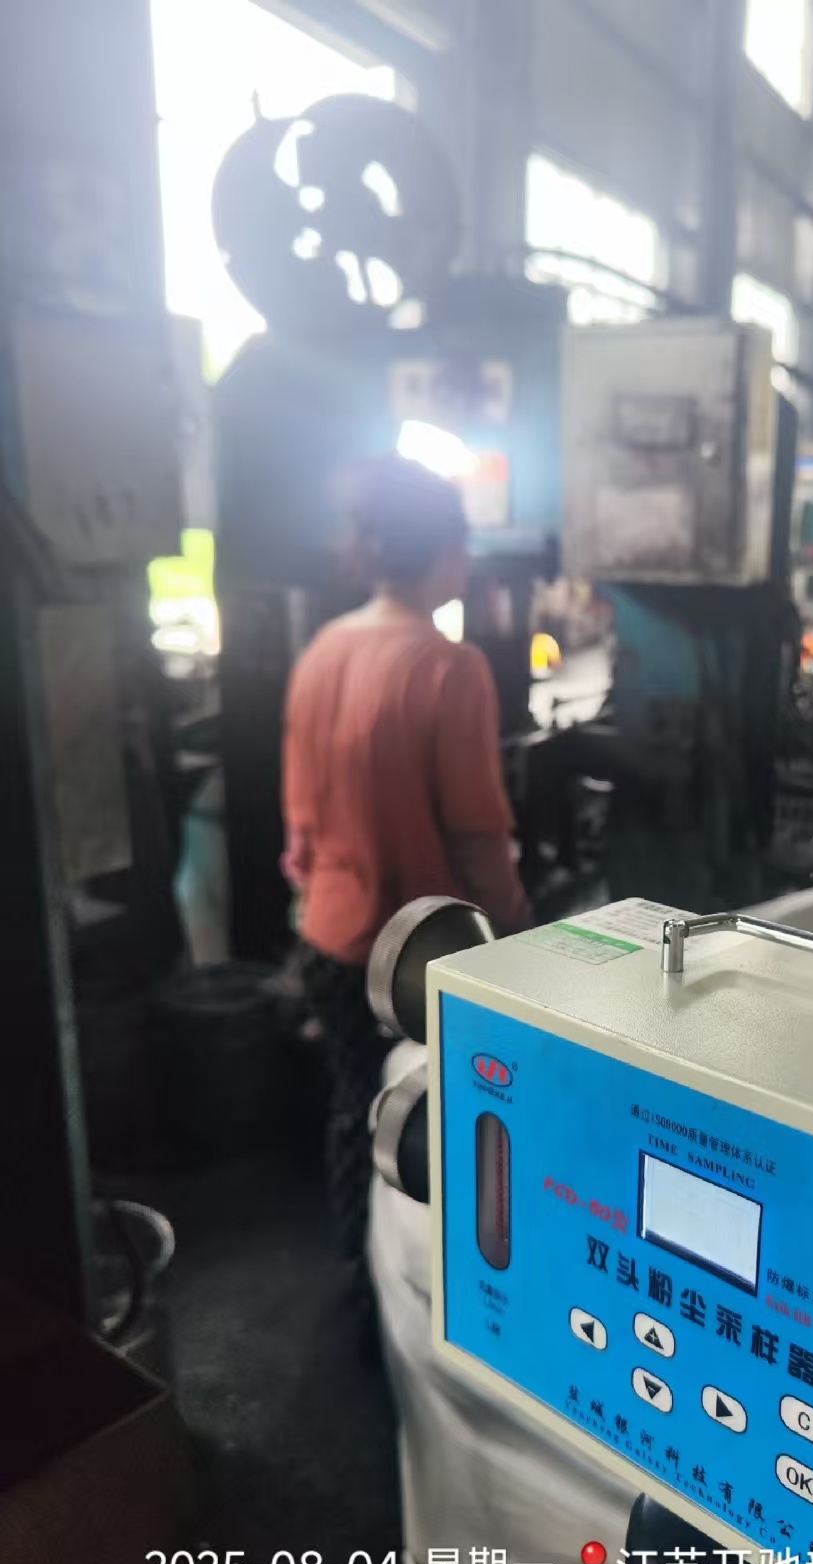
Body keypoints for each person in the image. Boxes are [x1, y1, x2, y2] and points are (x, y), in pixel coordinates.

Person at [282, 455, 532, 1315]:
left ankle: (359, 1281)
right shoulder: (447, 667)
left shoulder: (323, 650)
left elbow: (299, 824)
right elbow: (477, 833)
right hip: (418, 962)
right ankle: (414, 1309)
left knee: (356, 1103)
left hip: (327, 936)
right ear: (448, 551)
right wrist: (520, 937)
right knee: (435, 1122)